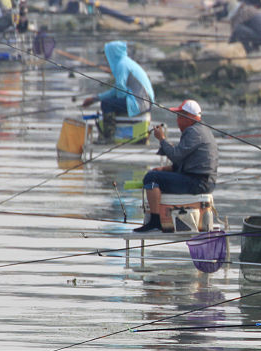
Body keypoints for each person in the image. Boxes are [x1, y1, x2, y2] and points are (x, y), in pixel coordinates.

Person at [133, 100, 219, 233]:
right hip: (202, 180)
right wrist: (164, 169)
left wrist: (162, 139)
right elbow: (184, 161)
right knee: (157, 174)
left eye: (179, 116)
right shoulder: (202, 130)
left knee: (151, 178)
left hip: (198, 182)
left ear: (188, 117)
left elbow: (176, 155)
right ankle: (157, 219)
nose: (178, 120)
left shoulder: (193, 132)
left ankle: (155, 222)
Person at [80, 40, 155, 139]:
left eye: (107, 54)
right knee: (108, 102)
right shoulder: (127, 62)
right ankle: (114, 131)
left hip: (138, 103)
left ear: (113, 53)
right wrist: (95, 99)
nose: (106, 58)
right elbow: (116, 90)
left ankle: (108, 136)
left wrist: (114, 101)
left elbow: (120, 87)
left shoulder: (121, 65)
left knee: (106, 104)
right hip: (144, 103)